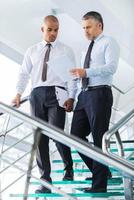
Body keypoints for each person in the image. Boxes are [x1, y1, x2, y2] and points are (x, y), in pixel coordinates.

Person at [12, 15, 77, 193]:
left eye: (56, 30)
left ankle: (68, 168)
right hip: (37, 94)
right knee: (40, 138)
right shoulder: (32, 50)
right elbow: (24, 73)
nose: (53, 33)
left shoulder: (66, 50)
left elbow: (71, 77)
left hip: (58, 93)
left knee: (57, 134)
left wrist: (71, 97)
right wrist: (18, 94)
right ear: (42, 29)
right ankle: (45, 181)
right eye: (50, 30)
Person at [70, 11, 120, 193]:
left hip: (100, 94)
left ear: (100, 25)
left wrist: (86, 72)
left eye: (88, 27)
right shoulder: (86, 48)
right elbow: (83, 75)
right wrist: (74, 93)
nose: (85, 31)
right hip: (84, 95)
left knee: (99, 138)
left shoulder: (109, 42)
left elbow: (111, 67)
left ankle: (99, 185)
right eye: (83, 28)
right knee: (75, 136)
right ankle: (101, 170)